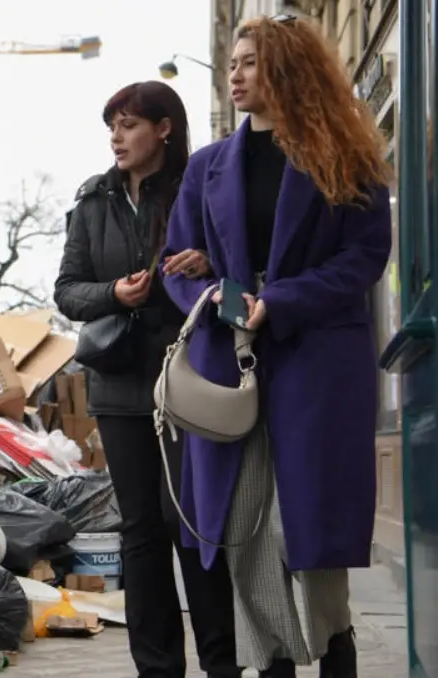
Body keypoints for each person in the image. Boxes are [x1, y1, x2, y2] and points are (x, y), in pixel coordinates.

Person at [160, 15, 392, 678]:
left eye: (249, 63)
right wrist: (225, 300)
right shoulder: (206, 168)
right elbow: (177, 262)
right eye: (231, 62)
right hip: (227, 368)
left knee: (307, 536)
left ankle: (334, 648)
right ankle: (274, 665)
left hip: (317, 365)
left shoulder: (343, 157)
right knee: (240, 529)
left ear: (287, 70)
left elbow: (363, 258)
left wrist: (278, 303)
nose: (234, 74)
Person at [53, 81, 241, 678]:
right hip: (118, 383)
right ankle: (157, 667)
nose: (116, 136)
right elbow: (67, 291)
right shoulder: (92, 201)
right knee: (140, 530)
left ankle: (221, 662)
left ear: (164, 128)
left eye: (129, 124)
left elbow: (237, 270)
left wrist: (211, 265)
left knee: (188, 521)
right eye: (112, 125)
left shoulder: (202, 185)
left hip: (188, 377)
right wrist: (113, 292)